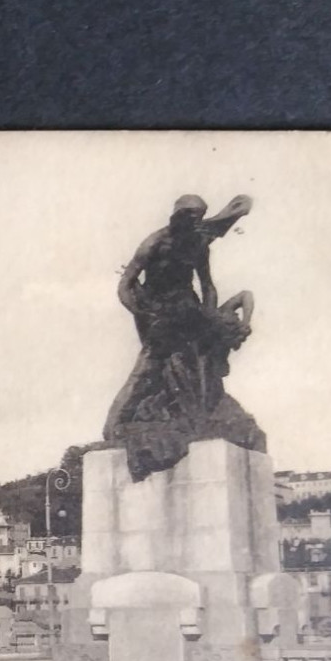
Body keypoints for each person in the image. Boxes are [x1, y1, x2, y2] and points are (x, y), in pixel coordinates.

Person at [103, 194, 265, 479]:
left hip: (189, 311)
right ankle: (114, 424)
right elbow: (125, 286)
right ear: (176, 216)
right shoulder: (154, 243)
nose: (194, 222)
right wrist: (143, 314)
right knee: (149, 370)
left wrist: (209, 315)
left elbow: (208, 285)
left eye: (198, 218)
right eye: (189, 217)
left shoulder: (198, 245)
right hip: (159, 314)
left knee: (197, 365)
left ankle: (198, 413)